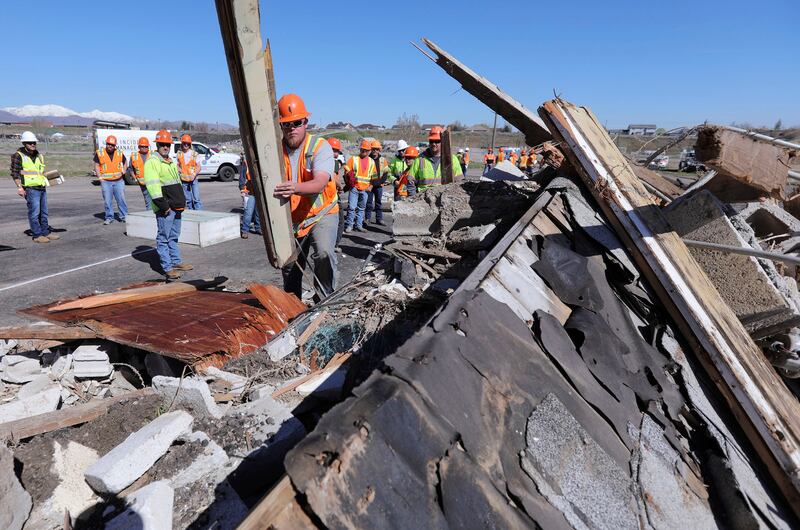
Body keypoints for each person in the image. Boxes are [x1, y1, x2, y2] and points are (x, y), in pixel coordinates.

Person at [272, 94, 339, 302]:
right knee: (290, 265)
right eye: (286, 124)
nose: (292, 128)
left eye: (297, 123)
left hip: (322, 214)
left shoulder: (320, 147)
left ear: (305, 122)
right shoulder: (274, 151)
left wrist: (295, 188)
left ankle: (325, 301)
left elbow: (319, 183)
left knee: (324, 254)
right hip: (293, 220)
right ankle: (293, 307)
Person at [144, 129, 191, 279]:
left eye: (168, 144)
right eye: (163, 144)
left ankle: (176, 262)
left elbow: (176, 184)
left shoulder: (169, 161)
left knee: (173, 237)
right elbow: (153, 187)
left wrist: (181, 202)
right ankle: (167, 267)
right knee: (163, 238)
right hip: (166, 209)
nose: (165, 147)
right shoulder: (153, 162)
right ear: (157, 145)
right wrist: (164, 207)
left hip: (176, 207)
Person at [11, 131, 58, 243]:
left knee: (44, 212)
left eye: (34, 142)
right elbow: (15, 173)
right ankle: (37, 235)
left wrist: (52, 178)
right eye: (30, 143)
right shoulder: (18, 156)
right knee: (34, 212)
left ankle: (45, 232)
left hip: (41, 187)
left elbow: (41, 172)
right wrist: (20, 187)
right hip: (30, 189)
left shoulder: (39, 155)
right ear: (24, 143)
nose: (32, 144)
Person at [408, 126, 462, 193]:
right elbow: (410, 181)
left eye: (437, 141)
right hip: (422, 200)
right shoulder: (420, 159)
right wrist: (413, 198)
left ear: (443, 141)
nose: (433, 144)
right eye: (431, 141)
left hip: (444, 198)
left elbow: (459, 182)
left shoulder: (452, 159)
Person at [344, 139, 377, 233]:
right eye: (363, 150)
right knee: (351, 207)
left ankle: (359, 225)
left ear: (369, 151)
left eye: (366, 150)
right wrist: (349, 179)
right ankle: (349, 225)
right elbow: (346, 168)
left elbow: (374, 176)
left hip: (365, 189)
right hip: (354, 188)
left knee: (361, 208)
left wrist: (371, 186)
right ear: (360, 149)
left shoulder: (371, 162)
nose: (364, 152)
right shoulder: (353, 159)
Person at [94, 135, 128, 224]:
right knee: (108, 201)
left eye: (112, 145)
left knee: (121, 200)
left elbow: (125, 162)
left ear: (115, 145)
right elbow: (96, 165)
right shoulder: (100, 153)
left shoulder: (119, 153)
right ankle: (109, 217)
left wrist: (124, 170)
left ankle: (124, 216)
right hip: (106, 181)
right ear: (106, 143)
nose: (110, 146)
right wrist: (100, 177)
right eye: (109, 144)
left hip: (118, 181)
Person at [327, 137, 347, 251]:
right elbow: (334, 180)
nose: (335, 154)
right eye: (333, 150)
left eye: (336, 151)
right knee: (339, 222)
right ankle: (334, 245)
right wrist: (340, 187)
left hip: (328, 195)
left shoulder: (320, 160)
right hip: (332, 196)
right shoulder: (333, 162)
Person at [364, 139, 388, 225]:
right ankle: (367, 219)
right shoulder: (367, 159)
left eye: (377, 149)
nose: (375, 151)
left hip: (378, 186)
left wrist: (379, 182)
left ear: (379, 150)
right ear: (371, 149)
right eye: (373, 149)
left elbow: (385, 174)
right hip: (369, 185)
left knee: (378, 203)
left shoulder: (383, 160)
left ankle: (379, 219)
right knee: (369, 203)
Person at [238, 156, 261, 238]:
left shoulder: (261, 160)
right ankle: (245, 230)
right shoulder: (246, 162)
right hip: (249, 191)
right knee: (248, 212)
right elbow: (242, 177)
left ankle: (258, 228)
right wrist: (242, 189)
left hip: (259, 191)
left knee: (258, 212)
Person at [177, 134, 202, 210]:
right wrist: (179, 169)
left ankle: (199, 214)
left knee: (196, 199)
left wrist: (194, 174)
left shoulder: (194, 154)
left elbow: (199, 166)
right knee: (188, 200)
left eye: (188, 143)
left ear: (190, 144)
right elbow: (177, 165)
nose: (186, 145)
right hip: (184, 180)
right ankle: (192, 214)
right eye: (184, 143)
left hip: (193, 179)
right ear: (182, 143)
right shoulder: (179, 153)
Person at [129, 137, 152, 209]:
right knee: (148, 201)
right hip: (143, 184)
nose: (144, 148)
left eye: (146, 146)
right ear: (139, 147)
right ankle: (151, 216)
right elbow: (131, 168)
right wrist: (134, 177)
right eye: (142, 146)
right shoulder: (134, 156)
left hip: (153, 183)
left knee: (157, 201)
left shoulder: (153, 154)